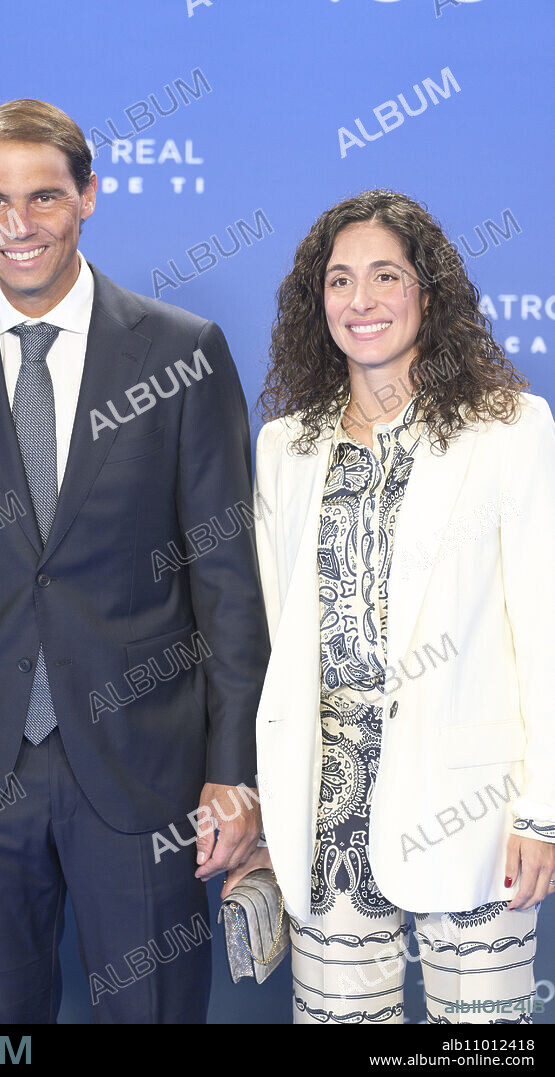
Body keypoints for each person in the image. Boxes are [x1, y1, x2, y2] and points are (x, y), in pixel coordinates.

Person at [0, 99, 269, 1023]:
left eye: (45, 196)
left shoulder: (183, 353)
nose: (20, 225)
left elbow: (226, 582)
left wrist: (232, 767)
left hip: (145, 774)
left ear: (89, 196)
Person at [223, 189, 555, 1024]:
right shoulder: (286, 447)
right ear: (317, 302)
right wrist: (260, 807)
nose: (360, 301)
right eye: (338, 281)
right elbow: (267, 643)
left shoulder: (510, 430)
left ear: (427, 294)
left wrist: (542, 812)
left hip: (473, 809)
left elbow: (545, 628)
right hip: (324, 809)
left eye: (384, 276)